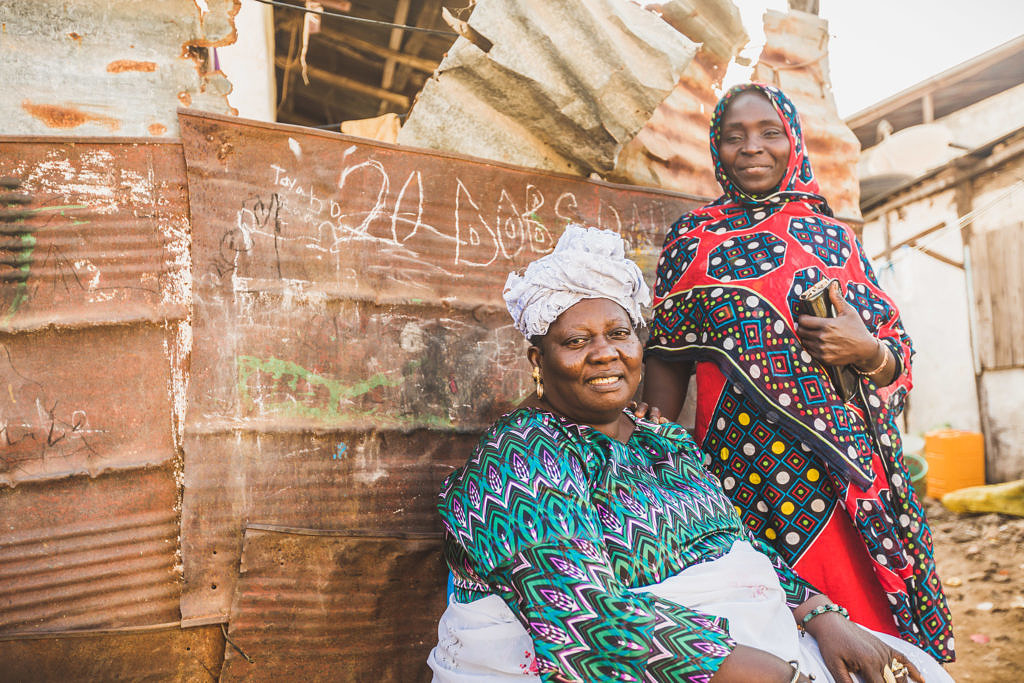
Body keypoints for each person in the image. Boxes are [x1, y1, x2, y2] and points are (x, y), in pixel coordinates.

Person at [428, 225, 951, 682]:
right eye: (576, 341)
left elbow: (735, 544)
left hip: (752, 644)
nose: (605, 352)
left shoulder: (662, 439)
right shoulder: (519, 458)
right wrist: (785, 678)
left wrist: (823, 617)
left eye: (619, 333)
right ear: (537, 359)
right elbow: (584, 622)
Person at [641, 83, 954, 663]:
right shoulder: (690, 240)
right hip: (739, 473)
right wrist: (656, 457)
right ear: (717, 149)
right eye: (734, 136)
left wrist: (865, 350)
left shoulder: (832, 238)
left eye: (770, 133)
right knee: (775, 629)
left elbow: (895, 356)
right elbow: (666, 358)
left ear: (794, 142)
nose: (752, 147)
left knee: (864, 624)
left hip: (846, 473)